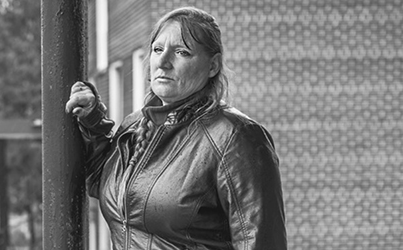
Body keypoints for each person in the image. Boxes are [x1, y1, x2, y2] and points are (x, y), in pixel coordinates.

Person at [64, 7, 286, 250]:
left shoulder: (236, 137)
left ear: (213, 66)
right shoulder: (135, 125)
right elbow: (102, 182)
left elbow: (263, 242)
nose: (163, 61)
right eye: (158, 50)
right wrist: (92, 121)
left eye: (182, 52)